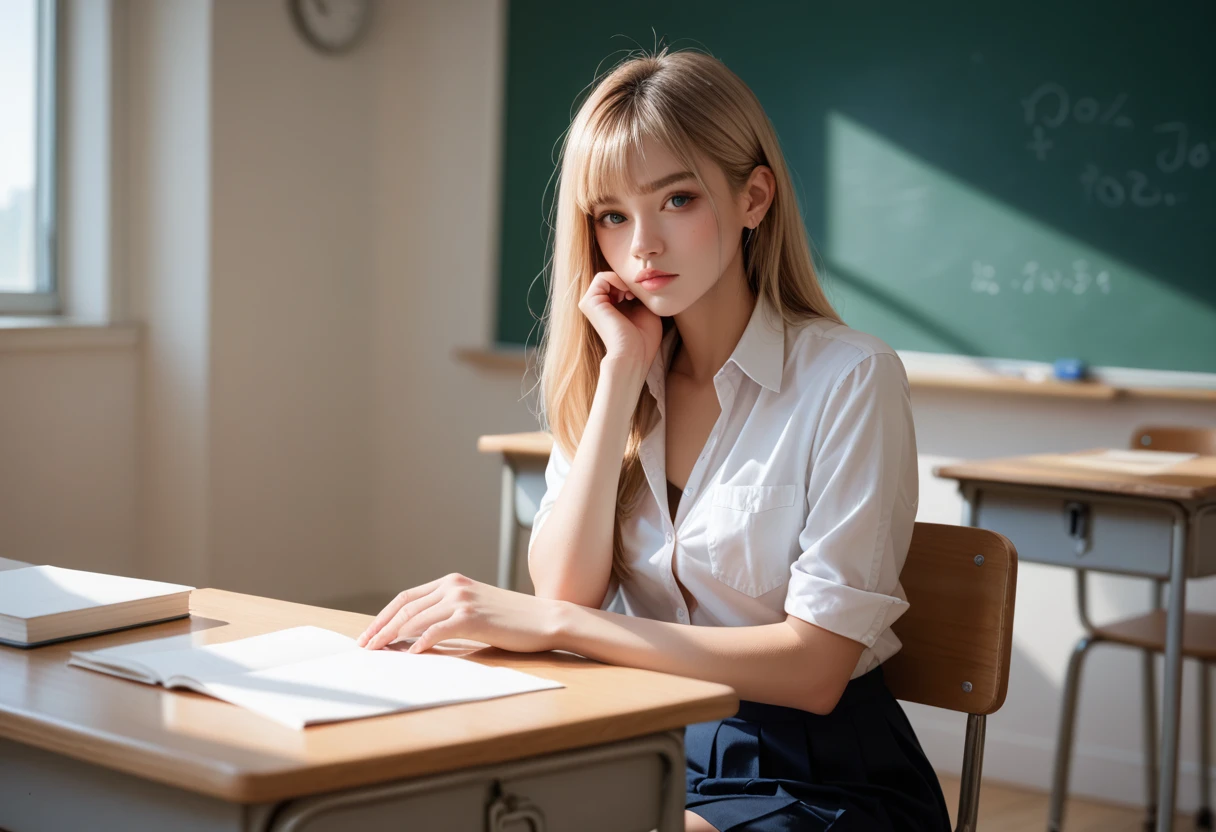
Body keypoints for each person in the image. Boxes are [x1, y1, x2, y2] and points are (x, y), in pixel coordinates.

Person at [358, 47, 952, 832]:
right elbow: (564, 589)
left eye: (676, 199)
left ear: (754, 197)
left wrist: (566, 631)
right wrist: (620, 375)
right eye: (611, 215)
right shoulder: (621, 378)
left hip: (817, 775)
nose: (642, 245)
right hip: (647, 737)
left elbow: (815, 672)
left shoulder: (850, 379)